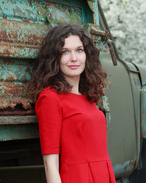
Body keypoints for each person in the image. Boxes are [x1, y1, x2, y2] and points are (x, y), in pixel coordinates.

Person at [30, 24, 116, 183]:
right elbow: (50, 164)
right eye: (65, 52)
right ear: (54, 58)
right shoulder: (50, 98)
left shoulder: (89, 96)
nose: (74, 58)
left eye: (79, 50)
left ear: (86, 54)